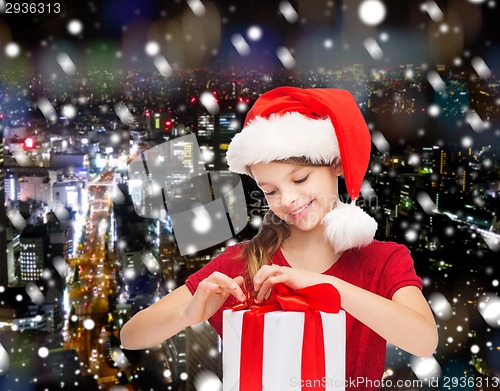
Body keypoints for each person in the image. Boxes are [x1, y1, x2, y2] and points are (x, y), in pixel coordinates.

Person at [120, 87, 438, 390]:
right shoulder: (244, 264)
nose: (287, 199)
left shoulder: (381, 260)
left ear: (337, 164)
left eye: (300, 179)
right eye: (270, 190)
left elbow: (424, 340)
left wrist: (327, 288)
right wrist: (189, 315)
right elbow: (130, 336)